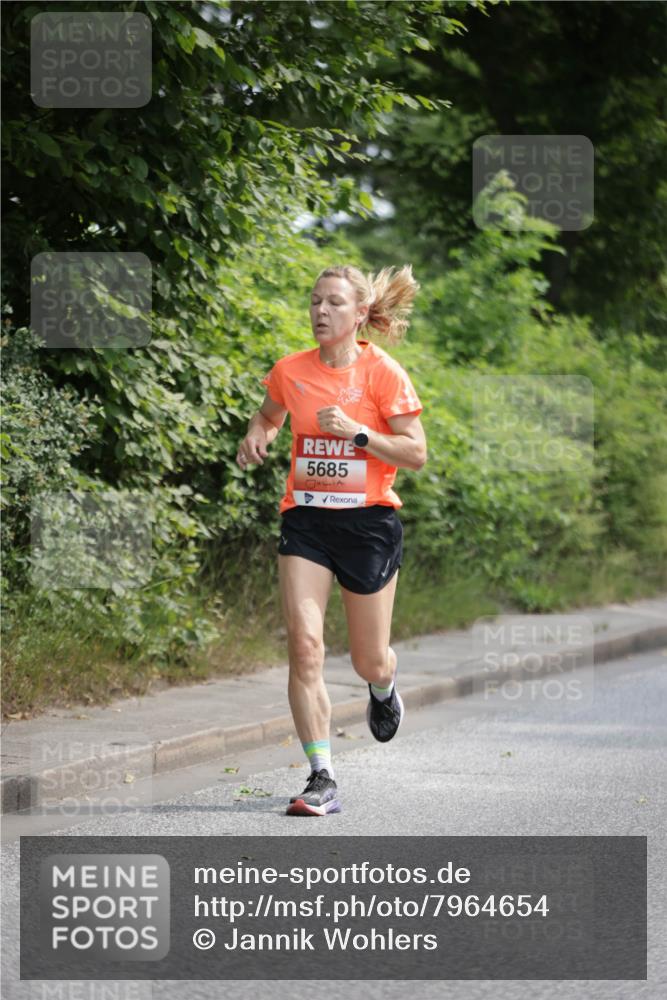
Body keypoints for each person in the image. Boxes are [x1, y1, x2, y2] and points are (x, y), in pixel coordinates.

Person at [235, 264, 427, 816]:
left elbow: (415, 453)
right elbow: (269, 415)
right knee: (305, 646)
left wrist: (358, 433)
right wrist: (256, 434)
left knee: (370, 659)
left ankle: (383, 687)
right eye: (315, 301)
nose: (321, 311)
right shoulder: (290, 370)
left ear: (360, 314)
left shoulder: (383, 373)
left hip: (368, 524)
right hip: (308, 522)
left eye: (334, 303)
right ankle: (321, 774)